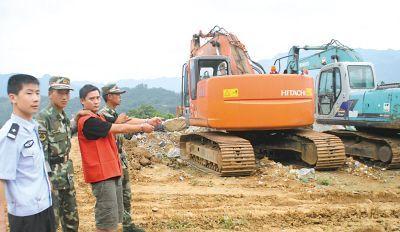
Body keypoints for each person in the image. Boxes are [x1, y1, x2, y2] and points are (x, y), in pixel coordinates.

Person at [77, 84, 154, 232]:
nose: (96, 101)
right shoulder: (88, 121)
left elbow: (124, 123)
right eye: (91, 98)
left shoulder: (97, 116)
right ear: (82, 100)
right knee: (106, 222)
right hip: (102, 174)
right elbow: (117, 128)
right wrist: (142, 127)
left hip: (110, 171)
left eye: (97, 97)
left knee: (112, 218)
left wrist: (146, 122)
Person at [99, 84, 162, 232]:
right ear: (109, 96)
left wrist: (148, 121)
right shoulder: (103, 115)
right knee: (115, 196)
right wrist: (138, 124)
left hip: (121, 159)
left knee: (126, 194)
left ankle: (127, 225)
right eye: (117, 93)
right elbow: (112, 129)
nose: (120, 96)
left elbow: (129, 122)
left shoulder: (114, 114)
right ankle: (114, 226)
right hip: (112, 161)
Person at [0, 74, 55, 232]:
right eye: (29, 93)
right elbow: (1, 178)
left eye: (37, 93)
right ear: (13, 97)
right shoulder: (11, 135)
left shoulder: (32, 128)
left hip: (45, 206)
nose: (36, 98)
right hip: (26, 216)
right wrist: (2, 222)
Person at [36, 76, 80, 232]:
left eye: (67, 93)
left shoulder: (63, 116)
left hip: (66, 174)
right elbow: (41, 154)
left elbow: (66, 135)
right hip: (52, 178)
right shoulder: (43, 118)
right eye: (60, 92)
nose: (64, 96)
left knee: (72, 219)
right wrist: (46, 180)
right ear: (50, 93)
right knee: (52, 221)